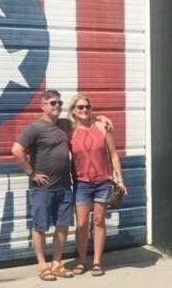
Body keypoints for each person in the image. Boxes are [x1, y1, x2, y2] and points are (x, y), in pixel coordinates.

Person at [12, 89, 77, 281]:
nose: (57, 106)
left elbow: (85, 122)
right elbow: (16, 150)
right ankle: (42, 266)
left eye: (59, 103)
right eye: (53, 103)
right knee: (40, 227)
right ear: (43, 106)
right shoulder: (35, 128)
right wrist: (32, 173)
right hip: (43, 189)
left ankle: (57, 263)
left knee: (63, 226)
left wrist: (103, 119)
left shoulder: (65, 125)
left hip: (64, 187)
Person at [67, 93, 126, 277]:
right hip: (81, 184)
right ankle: (82, 261)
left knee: (99, 221)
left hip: (103, 182)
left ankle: (97, 262)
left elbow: (113, 155)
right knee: (82, 224)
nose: (84, 110)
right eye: (80, 107)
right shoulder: (69, 131)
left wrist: (119, 178)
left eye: (87, 107)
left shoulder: (102, 127)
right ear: (73, 111)